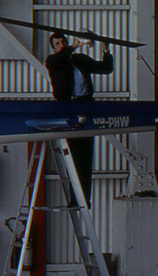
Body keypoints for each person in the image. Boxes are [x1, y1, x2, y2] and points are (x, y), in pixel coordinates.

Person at [44, 32, 115, 203]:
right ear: (53, 48)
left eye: (63, 42)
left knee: (86, 153)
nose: (61, 45)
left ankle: (85, 199)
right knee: (72, 154)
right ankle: (74, 198)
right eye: (58, 43)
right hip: (67, 106)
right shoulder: (52, 61)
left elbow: (105, 69)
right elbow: (61, 59)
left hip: (85, 105)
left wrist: (106, 49)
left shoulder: (80, 59)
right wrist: (75, 45)